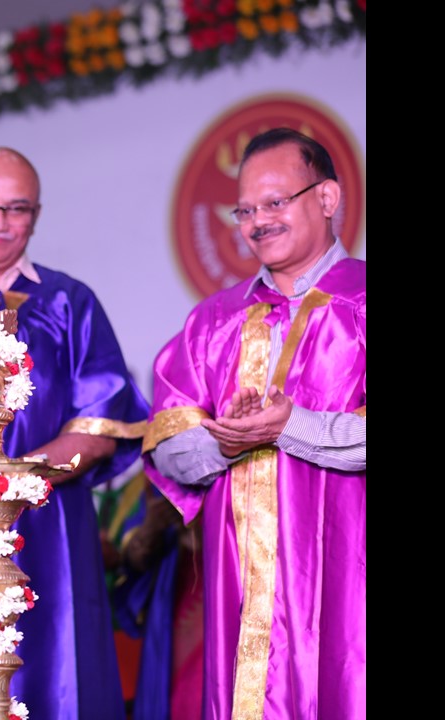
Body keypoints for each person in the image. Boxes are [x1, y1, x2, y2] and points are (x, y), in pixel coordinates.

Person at [0, 146, 149, 719]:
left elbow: (98, 429)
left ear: (35, 216)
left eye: (16, 209)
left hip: (46, 527)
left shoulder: (69, 302)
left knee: (53, 680)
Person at [143, 127, 365, 719]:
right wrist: (226, 443)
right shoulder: (213, 322)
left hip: (351, 586)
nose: (258, 221)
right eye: (245, 210)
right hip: (242, 595)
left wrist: (289, 426)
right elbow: (167, 446)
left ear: (327, 198)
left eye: (275, 202)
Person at [102, 468, 204, 720]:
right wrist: (152, 530)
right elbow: (133, 559)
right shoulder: (154, 479)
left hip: (225, 587)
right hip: (176, 589)